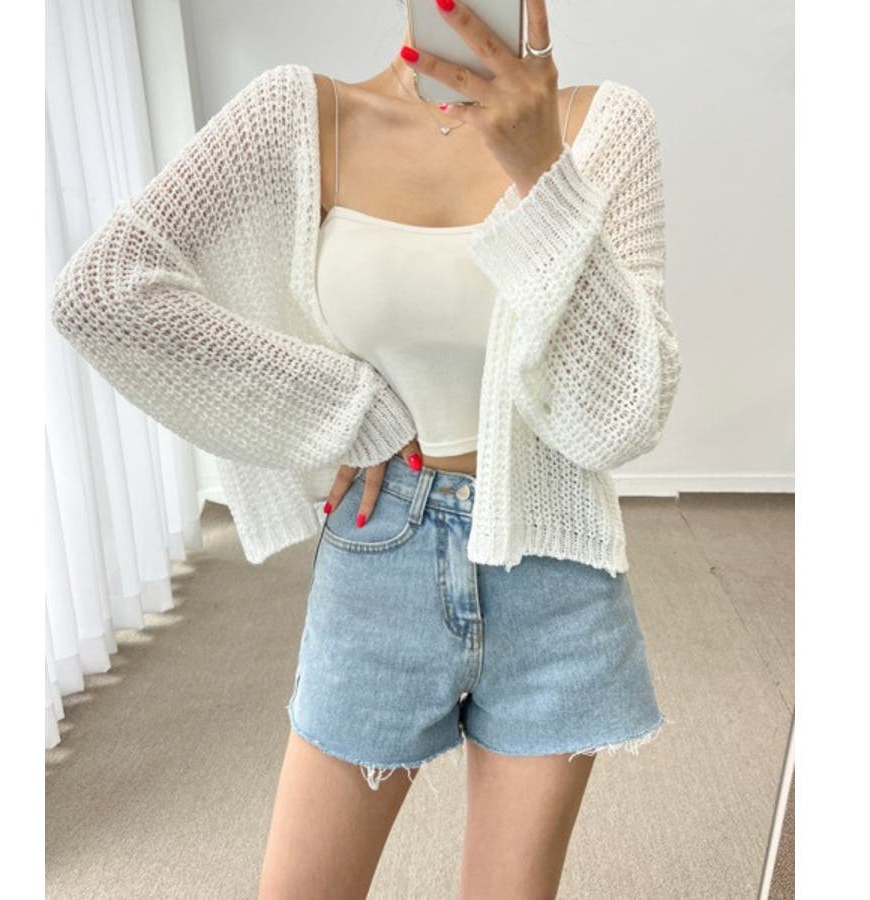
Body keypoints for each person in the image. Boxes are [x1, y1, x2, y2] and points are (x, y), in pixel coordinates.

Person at [50, 2, 682, 897]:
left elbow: (623, 416)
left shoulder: (606, 127)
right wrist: (348, 409)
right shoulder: (302, 116)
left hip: (555, 569)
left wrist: (544, 171)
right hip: (382, 551)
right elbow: (103, 291)